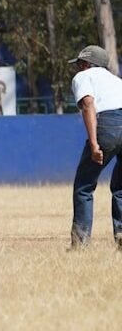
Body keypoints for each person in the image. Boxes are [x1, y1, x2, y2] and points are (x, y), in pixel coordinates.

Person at [68, 44, 122, 251]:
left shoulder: (83, 77)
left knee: (84, 186)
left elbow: (89, 104)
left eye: (80, 63)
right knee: (121, 187)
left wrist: (94, 143)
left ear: (88, 64)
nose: (78, 68)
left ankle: (80, 243)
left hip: (108, 123)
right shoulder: (117, 81)